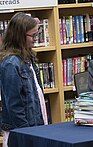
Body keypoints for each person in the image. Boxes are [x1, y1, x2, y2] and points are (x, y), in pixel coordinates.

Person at [0, 12, 48, 147]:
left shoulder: (28, 58)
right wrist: (27, 134)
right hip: (22, 134)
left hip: (34, 129)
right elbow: (14, 106)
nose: (36, 39)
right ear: (19, 36)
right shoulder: (11, 64)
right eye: (33, 35)